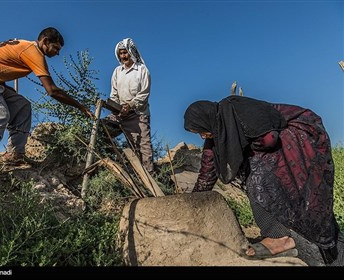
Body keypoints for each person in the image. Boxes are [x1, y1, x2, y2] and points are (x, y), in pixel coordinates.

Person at [184, 95, 343, 266]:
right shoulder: (216, 135)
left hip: (299, 140)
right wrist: (193, 201)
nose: (201, 136)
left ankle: (278, 237)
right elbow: (208, 171)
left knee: (312, 209)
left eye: (200, 131)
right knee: (311, 215)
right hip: (278, 157)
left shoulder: (236, 110)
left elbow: (269, 139)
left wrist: (241, 145)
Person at [0, 27, 93, 170]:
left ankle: (14, 155)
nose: (57, 53)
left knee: (21, 106)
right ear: (45, 41)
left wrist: (6, 88)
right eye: (55, 48)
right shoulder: (33, 51)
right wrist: (80, 106)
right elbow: (52, 91)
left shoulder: (26, 47)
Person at [107, 38, 154, 174]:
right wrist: (115, 107)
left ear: (132, 52)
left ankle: (150, 179)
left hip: (138, 115)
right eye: (121, 53)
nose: (123, 56)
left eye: (125, 53)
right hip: (119, 113)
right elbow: (114, 93)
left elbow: (144, 94)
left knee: (143, 148)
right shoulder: (117, 71)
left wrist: (130, 105)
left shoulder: (142, 70)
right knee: (102, 131)